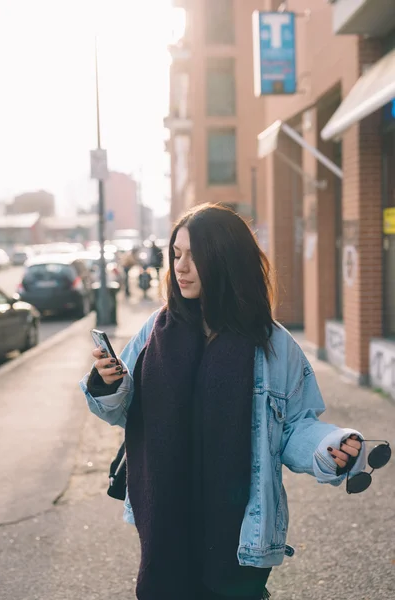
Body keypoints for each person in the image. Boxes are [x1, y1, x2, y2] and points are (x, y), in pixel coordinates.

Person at [80, 204, 366, 600]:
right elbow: (122, 409)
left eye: (196, 255)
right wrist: (105, 384)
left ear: (227, 260)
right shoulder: (156, 330)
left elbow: (295, 425)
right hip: (165, 521)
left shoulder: (273, 344)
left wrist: (327, 446)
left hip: (238, 530)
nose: (181, 267)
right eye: (176, 254)